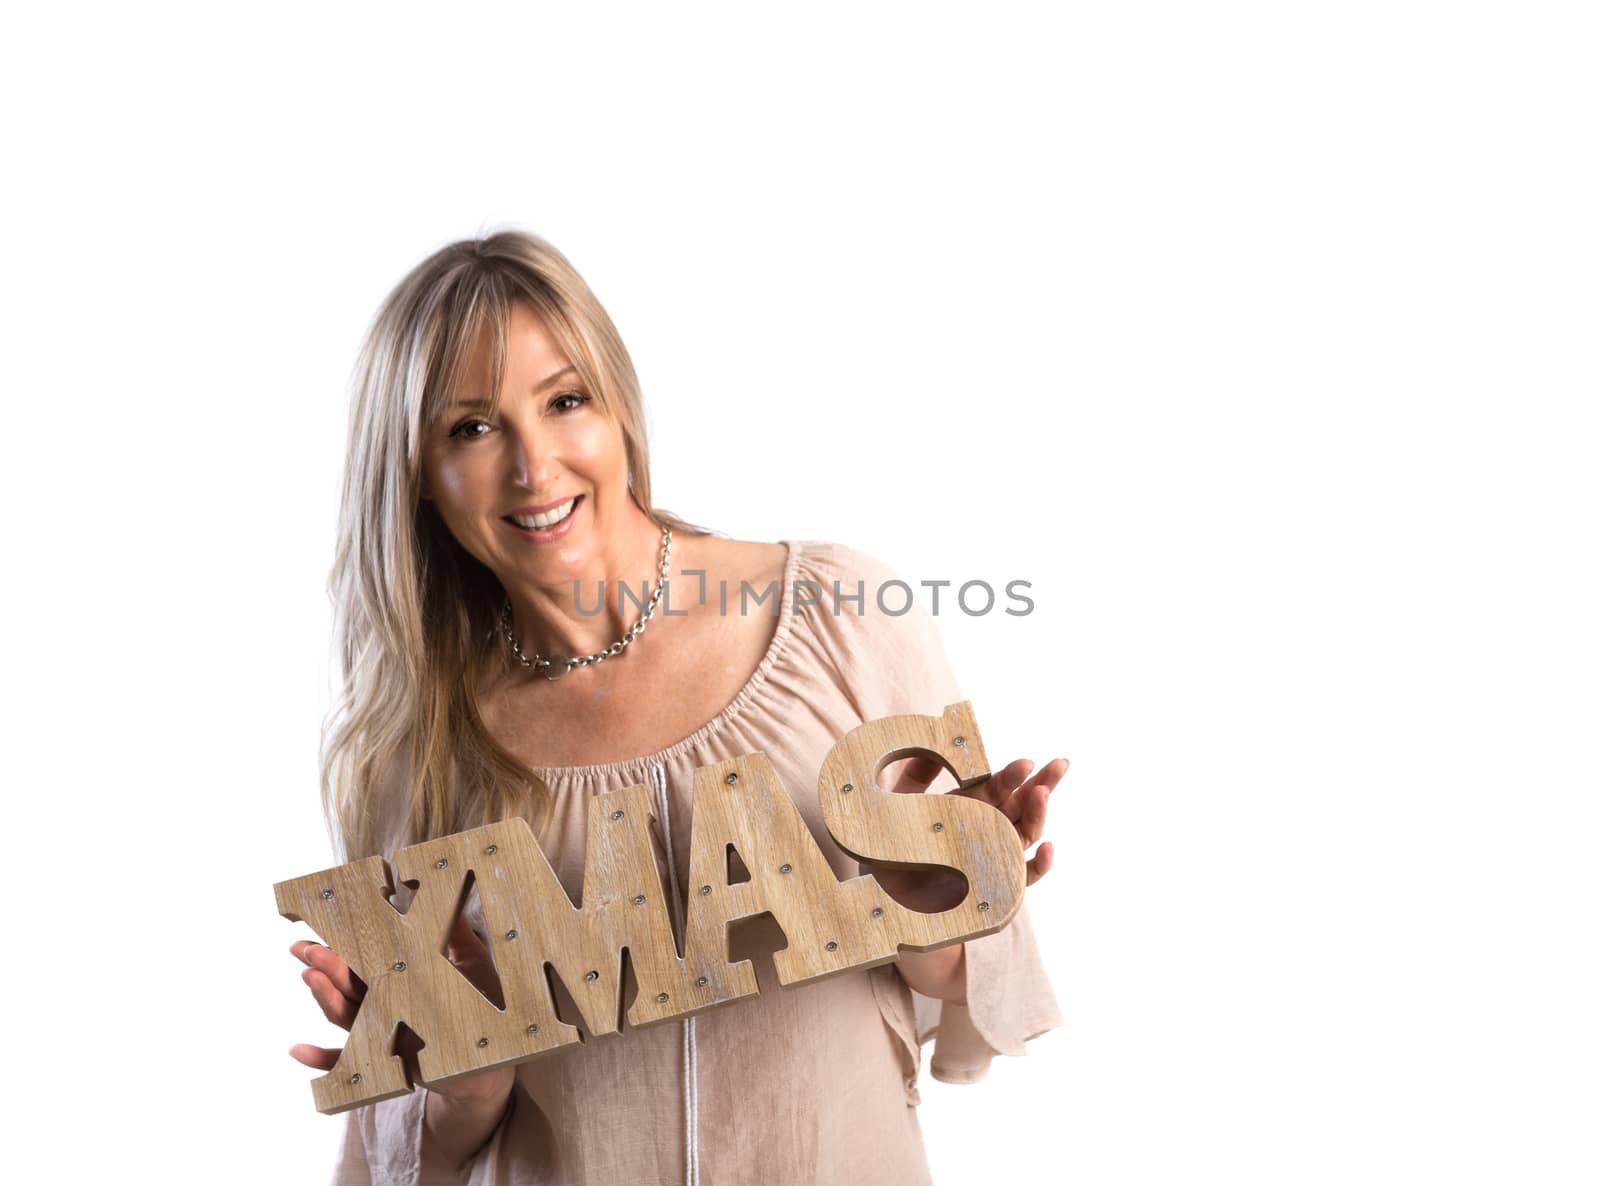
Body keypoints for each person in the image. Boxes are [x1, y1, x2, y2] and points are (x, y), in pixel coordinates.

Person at [287, 229, 1066, 1185]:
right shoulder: (415, 755)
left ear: (617, 411)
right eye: (471, 428)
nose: (534, 466)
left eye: (565, 401)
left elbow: (967, 1001)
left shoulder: (841, 619)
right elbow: (416, 1152)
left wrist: (938, 909)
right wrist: (464, 1075)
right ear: (416, 474)